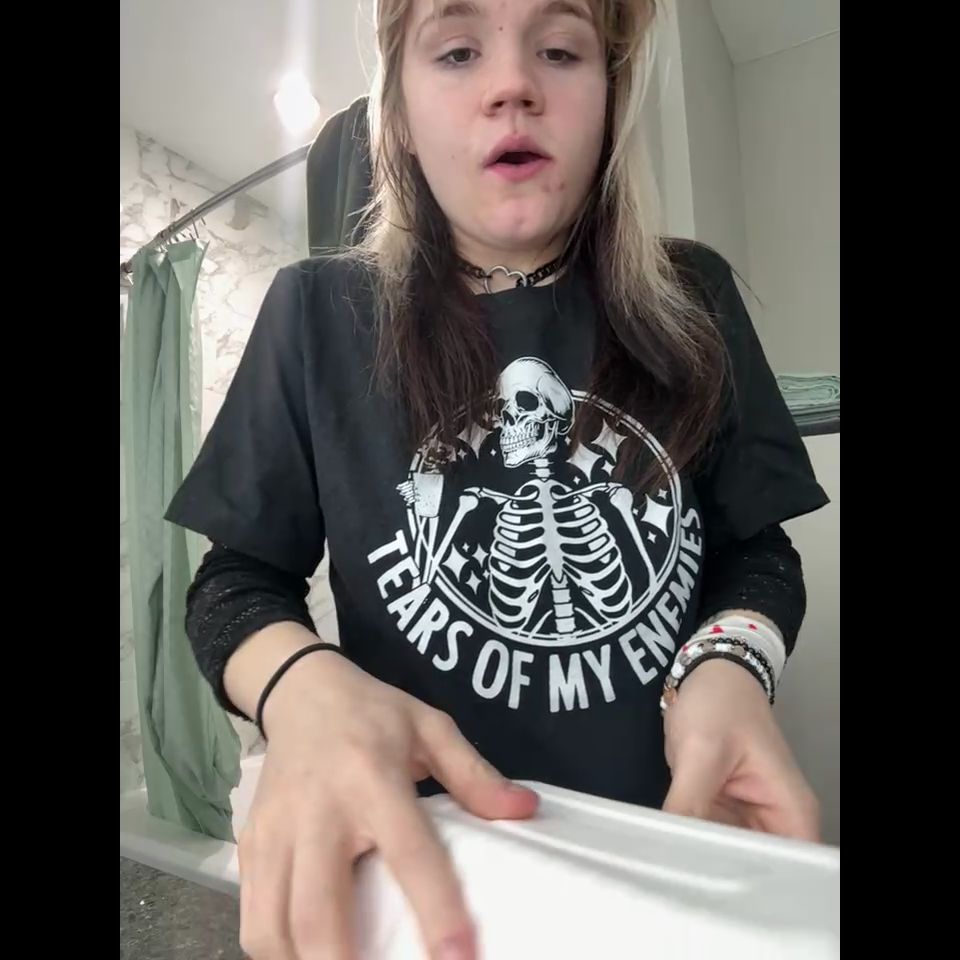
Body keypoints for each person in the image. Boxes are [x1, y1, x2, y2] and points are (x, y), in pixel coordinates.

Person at [165, 1, 830, 957]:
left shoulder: (694, 297)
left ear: (611, 97)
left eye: (560, 49)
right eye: (457, 51)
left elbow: (757, 551)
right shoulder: (317, 313)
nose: (512, 85)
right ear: (398, 112)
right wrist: (300, 689)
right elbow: (233, 583)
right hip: (439, 864)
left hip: (670, 846)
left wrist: (731, 663)